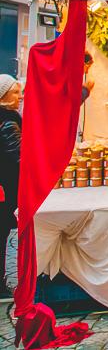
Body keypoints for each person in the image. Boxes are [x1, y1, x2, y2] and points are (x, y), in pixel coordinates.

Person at [0, 75, 22, 300]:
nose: (20, 96)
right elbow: (19, 157)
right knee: (7, 228)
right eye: (16, 92)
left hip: (6, 185)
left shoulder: (9, 119)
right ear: (4, 96)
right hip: (9, 186)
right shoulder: (8, 122)